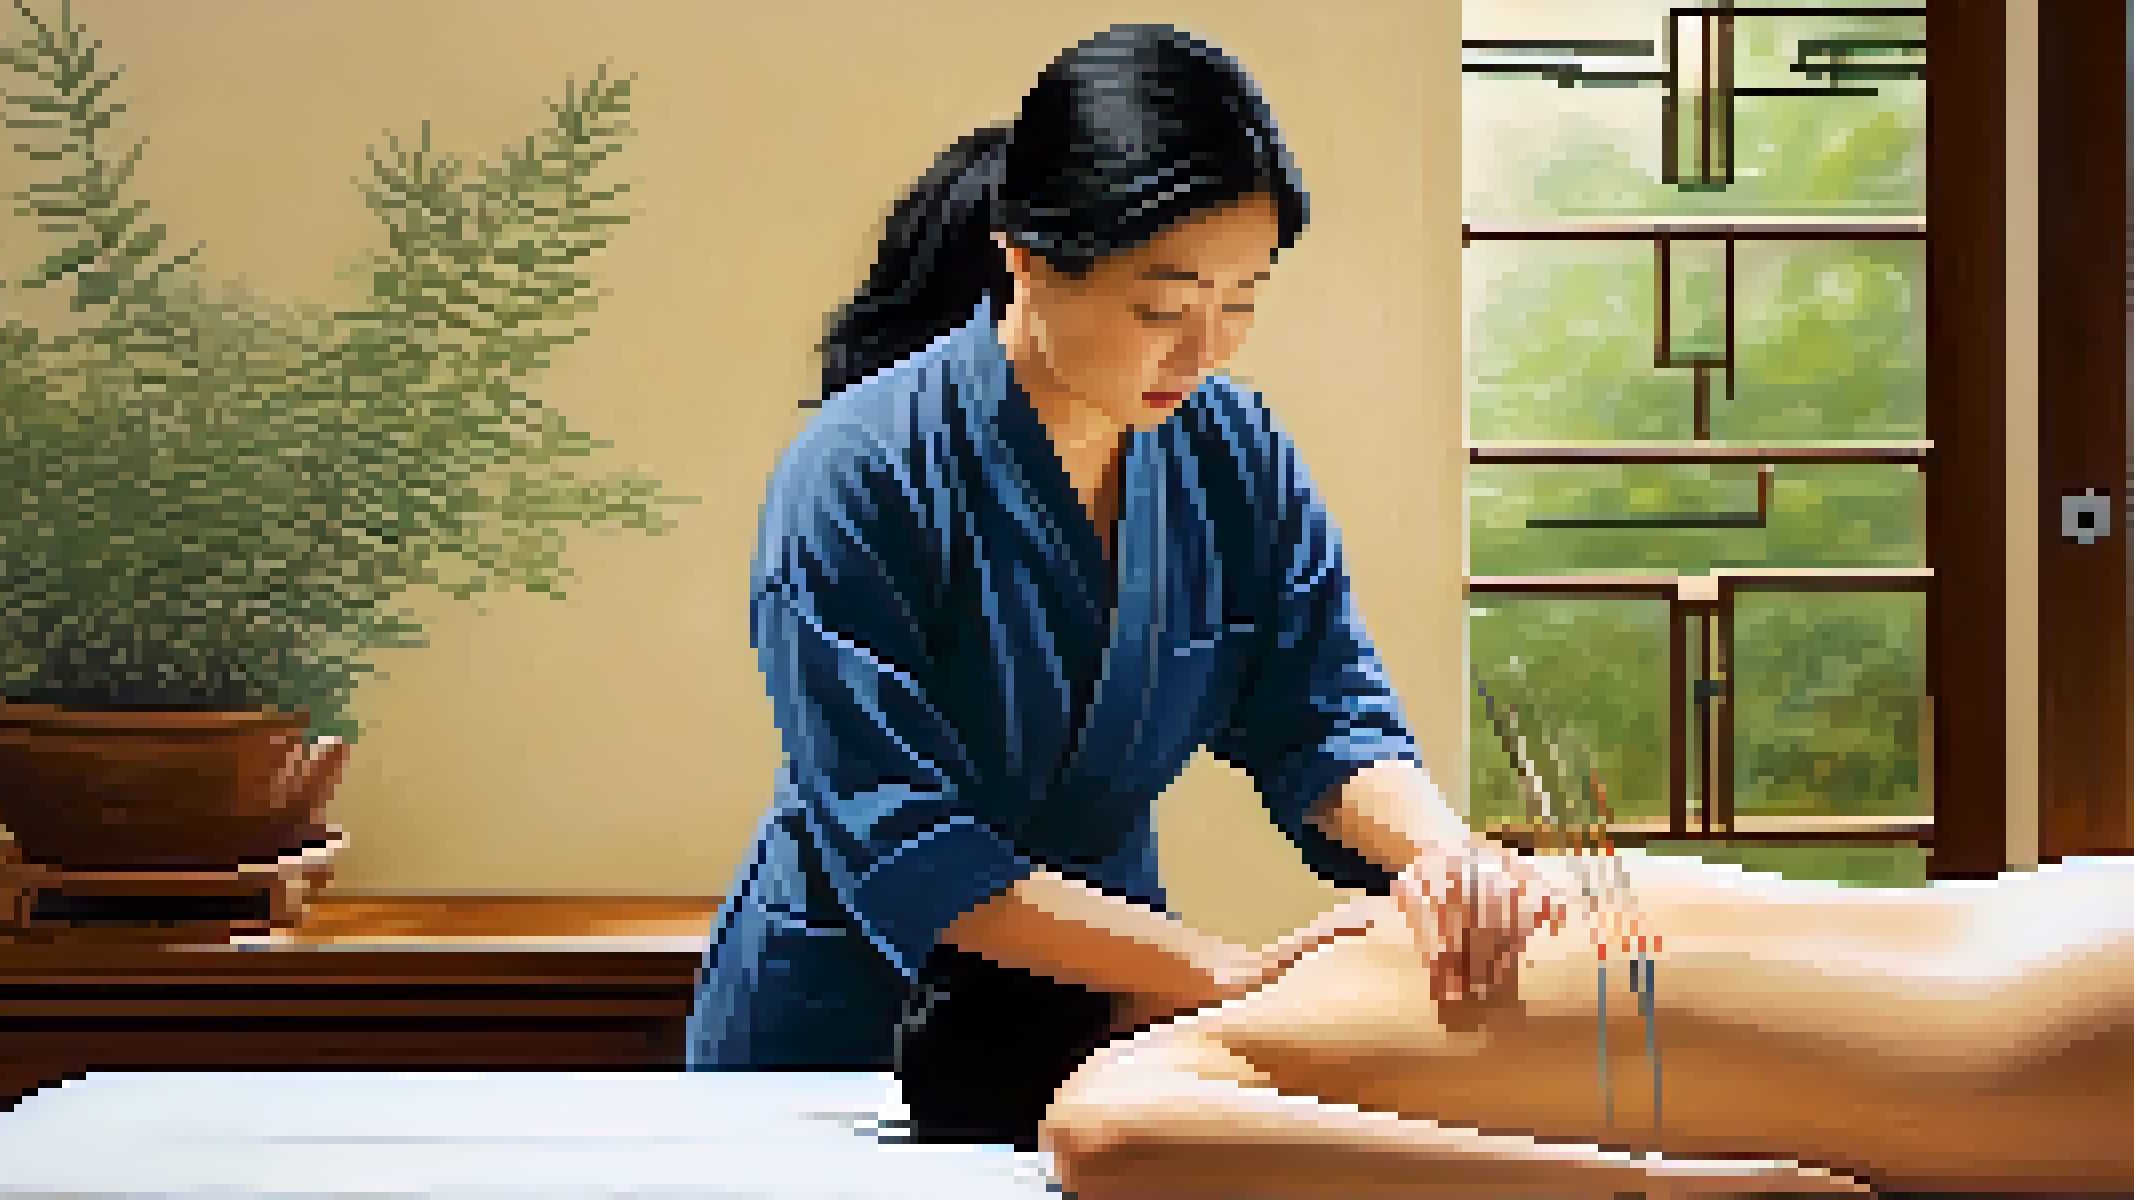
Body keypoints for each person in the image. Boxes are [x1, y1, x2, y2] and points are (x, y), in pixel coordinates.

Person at [685, 22, 1565, 1149]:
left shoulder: (1235, 453)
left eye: (1242, 300)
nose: (1205, 353)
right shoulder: (858, 472)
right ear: (1029, 256)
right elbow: (905, 844)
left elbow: (1327, 717)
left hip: (1106, 1023)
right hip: (842, 1027)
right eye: (1164, 307)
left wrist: (1444, 855)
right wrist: (1222, 971)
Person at [1038, 849, 2134, 1196]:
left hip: (2020, 1021)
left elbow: (1105, 1135)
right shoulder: (1177, 1048)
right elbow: (1099, 1133)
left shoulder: (1320, 967)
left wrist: (1667, 1189)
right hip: (2040, 956)